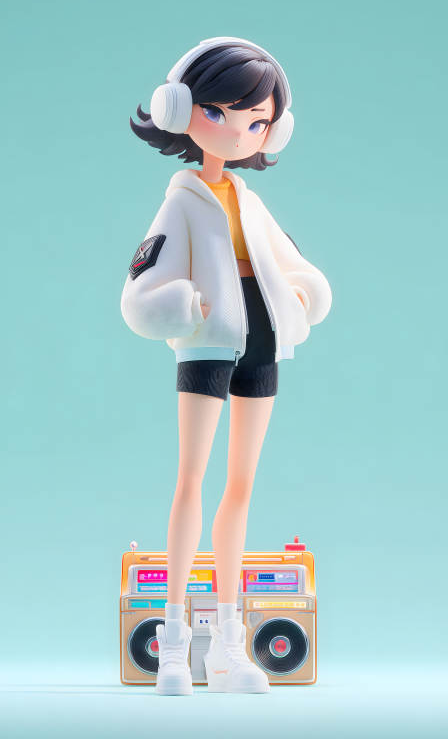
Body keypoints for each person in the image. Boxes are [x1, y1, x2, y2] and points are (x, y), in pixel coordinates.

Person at [121, 36, 332, 695]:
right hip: (207, 342)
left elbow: (295, 266)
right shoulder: (182, 200)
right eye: (218, 112)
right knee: (191, 480)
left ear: (275, 129)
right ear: (178, 108)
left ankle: (229, 644)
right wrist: (185, 305)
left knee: (240, 486)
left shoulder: (250, 200)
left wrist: (303, 295)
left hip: (262, 342)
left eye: (258, 121)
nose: (239, 132)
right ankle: (174, 638)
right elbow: (139, 292)